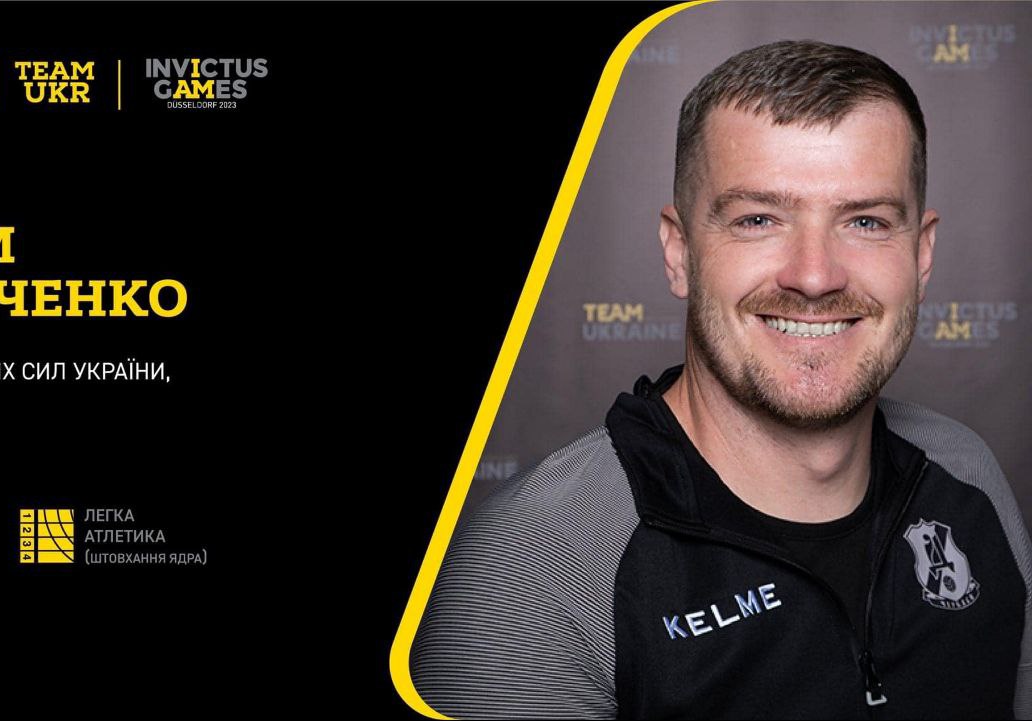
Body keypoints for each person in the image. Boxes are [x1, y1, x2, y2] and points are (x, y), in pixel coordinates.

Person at [409, 40, 1032, 720]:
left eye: (865, 221)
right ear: (679, 252)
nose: (815, 275)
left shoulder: (965, 471)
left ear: (921, 254)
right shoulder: (534, 569)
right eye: (758, 219)